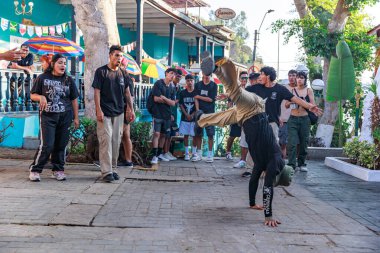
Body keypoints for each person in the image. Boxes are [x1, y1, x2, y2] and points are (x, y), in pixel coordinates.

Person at [196, 57, 322, 226]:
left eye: (262, 74)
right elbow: (267, 187)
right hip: (255, 109)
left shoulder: (262, 165)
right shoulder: (276, 161)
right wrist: (268, 216)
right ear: (278, 172)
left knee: (221, 118)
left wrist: (252, 204)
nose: (269, 179)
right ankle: (218, 70)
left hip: (246, 117)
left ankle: (201, 118)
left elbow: (254, 181)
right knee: (236, 93)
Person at [28, 53, 79, 182]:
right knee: (47, 145)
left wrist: (76, 117)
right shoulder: (43, 78)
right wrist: (41, 97)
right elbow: (32, 95)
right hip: (47, 117)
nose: (63, 65)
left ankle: (58, 170)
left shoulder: (68, 80)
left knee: (61, 145)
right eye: (60, 63)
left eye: (64, 63)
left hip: (65, 116)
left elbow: (74, 100)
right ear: (53, 64)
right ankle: (35, 169)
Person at [92, 45, 135, 182]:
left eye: (121, 56)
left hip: (119, 113)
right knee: (106, 140)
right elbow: (96, 92)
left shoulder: (123, 73)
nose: (119, 58)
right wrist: (98, 110)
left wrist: (131, 108)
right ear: (110, 55)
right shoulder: (101, 72)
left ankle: (113, 168)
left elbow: (127, 92)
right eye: (116, 55)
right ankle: (106, 172)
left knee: (116, 141)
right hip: (104, 112)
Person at [286, 71, 316, 172]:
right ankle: (291, 164)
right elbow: (286, 105)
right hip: (293, 118)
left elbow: (313, 105)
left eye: (302, 78)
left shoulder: (308, 90)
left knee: (304, 142)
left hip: (304, 119)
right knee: (292, 143)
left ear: (305, 79)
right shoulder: (292, 90)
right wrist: (293, 101)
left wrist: (303, 102)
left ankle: (302, 163)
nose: (299, 79)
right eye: (298, 78)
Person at [150, 68, 176, 164]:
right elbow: (156, 99)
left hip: (167, 114)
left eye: (174, 74)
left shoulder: (172, 88)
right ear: (166, 74)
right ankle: (154, 156)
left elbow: (173, 103)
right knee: (157, 134)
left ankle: (160, 154)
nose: (173, 75)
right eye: (171, 73)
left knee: (164, 135)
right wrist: (168, 101)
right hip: (157, 112)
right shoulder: (158, 84)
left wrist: (164, 98)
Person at [224, 71, 249, 170]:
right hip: (236, 115)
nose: (244, 80)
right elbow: (229, 104)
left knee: (246, 137)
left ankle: (244, 158)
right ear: (239, 79)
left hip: (246, 117)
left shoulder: (249, 90)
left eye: (246, 78)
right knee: (233, 135)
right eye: (242, 78)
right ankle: (228, 152)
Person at [192, 74, 218, 162]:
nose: (206, 77)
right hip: (200, 112)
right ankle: (199, 154)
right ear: (202, 74)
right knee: (198, 133)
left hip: (210, 112)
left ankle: (210, 155)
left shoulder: (214, 85)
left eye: (208, 75)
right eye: (205, 75)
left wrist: (199, 97)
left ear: (210, 76)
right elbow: (195, 99)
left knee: (210, 134)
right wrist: (198, 110)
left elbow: (211, 99)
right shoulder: (198, 84)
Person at [162, 69, 182, 161]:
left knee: (170, 134)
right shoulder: (168, 85)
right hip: (167, 112)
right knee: (165, 133)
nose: (177, 78)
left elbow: (177, 100)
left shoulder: (178, 87)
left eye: (179, 76)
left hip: (174, 113)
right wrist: (172, 102)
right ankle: (163, 152)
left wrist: (174, 102)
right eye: (176, 75)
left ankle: (167, 152)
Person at [8, 44, 34, 109]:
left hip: (24, 78)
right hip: (14, 78)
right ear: (20, 49)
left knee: (26, 94)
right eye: (23, 50)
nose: (25, 52)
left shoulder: (30, 55)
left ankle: (25, 108)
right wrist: (26, 68)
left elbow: (30, 68)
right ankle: (12, 108)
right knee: (13, 94)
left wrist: (18, 67)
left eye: (27, 50)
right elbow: (12, 66)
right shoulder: (16, 54)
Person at [279, 70, 297, 158]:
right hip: (284, 119)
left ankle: (296, 163)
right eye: (290, 75)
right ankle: (282, 162)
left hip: (297, 119)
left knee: (295, 142)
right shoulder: (283, 89)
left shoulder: (300, 89)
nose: (291, 78)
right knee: (283, 142)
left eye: (293, 75)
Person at [178, 74, 197, 161]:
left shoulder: (196, 92)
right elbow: (181, 105)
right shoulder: (182, 93)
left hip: (194, 118)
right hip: (185, 117)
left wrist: (192, 115)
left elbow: (198, 106)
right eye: (188, 80)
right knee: (185, 135)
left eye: (191, 80)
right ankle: (186, 153)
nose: (190, 82)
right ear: (186, 81)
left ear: (194, 81)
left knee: (194, 135)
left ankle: (194, 153)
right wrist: (186, 114)